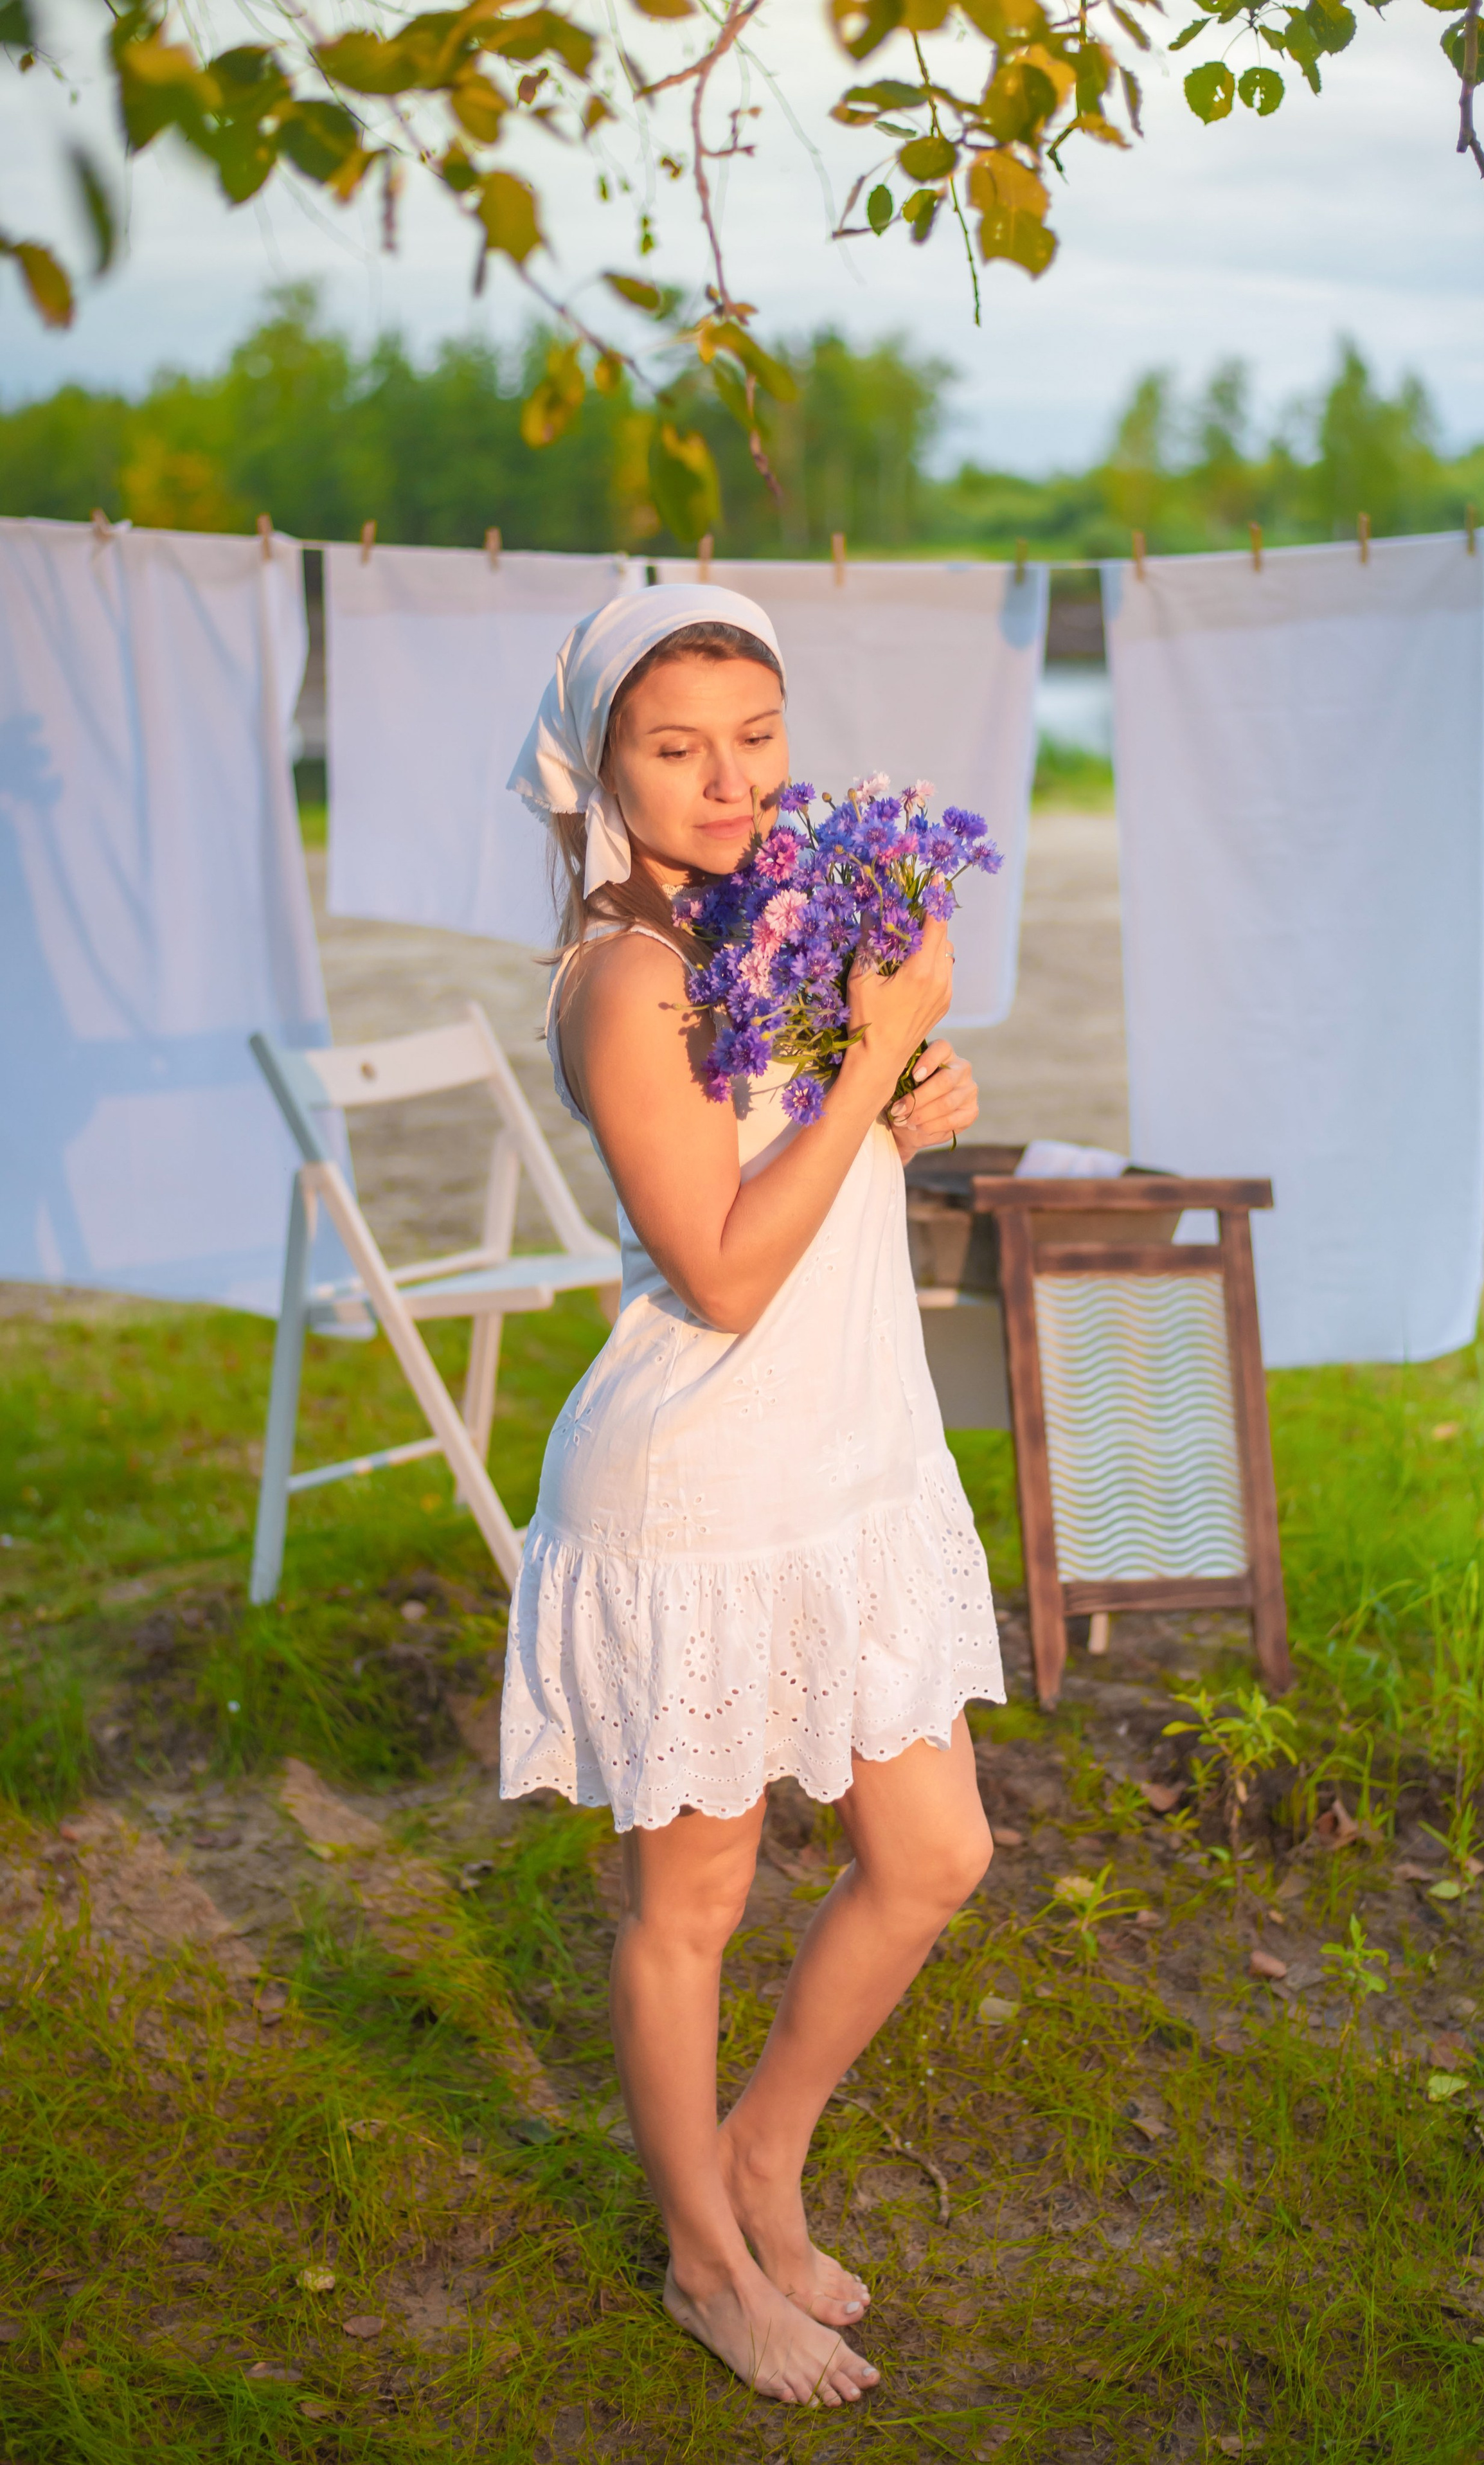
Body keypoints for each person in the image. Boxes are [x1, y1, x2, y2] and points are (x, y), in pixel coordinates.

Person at [499, 584, 1005, 2407]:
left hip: (846, 1461)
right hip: (704, 1482)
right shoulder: (632, 971)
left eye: (757, 739)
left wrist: (895, 1095)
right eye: (677, 747)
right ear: (605, 768)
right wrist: (872, 1052)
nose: (729, 781)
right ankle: (708, 2265)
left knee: (936, 1850)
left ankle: (761, 2148)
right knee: (689, 1905)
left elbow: (801, 1158)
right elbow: (718, 1264)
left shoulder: (767, 924)